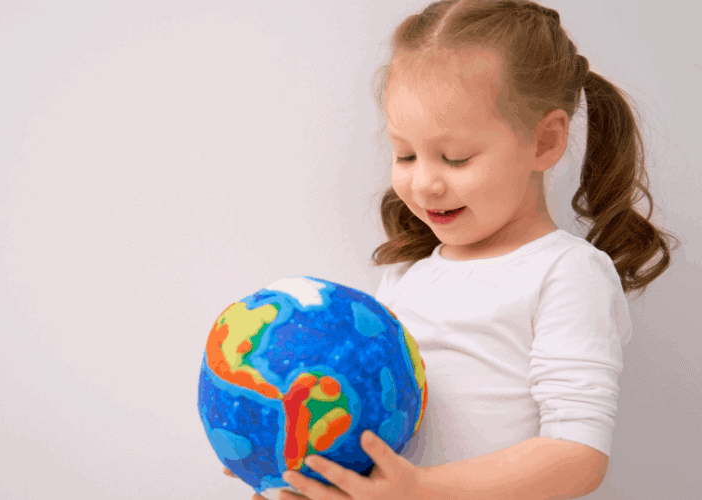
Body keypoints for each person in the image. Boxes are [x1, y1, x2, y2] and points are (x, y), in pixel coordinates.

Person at [225, 1, 680, 498]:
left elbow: (577, 456)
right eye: (405, 154)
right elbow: (379, 433)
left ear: (545, 142)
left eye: (455, 158)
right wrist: (290, 457)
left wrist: (421, 489)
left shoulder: (566, 273)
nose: (423, 183)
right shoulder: (407, 279)